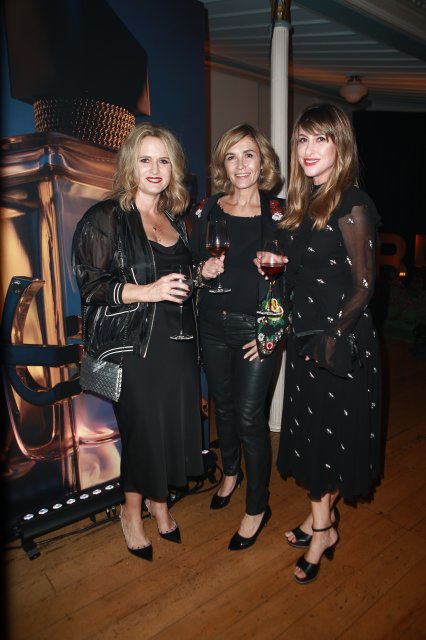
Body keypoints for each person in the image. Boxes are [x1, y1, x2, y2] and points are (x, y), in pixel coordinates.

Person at [257, 103, 381, 583]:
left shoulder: (352, 203)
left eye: (320, 139)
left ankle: (323, 532)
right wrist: (276, 263)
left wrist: (331, 338)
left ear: (340, 145)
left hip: (338, 342)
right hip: (309, 339)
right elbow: (309, 266)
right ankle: (318, 520)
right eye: (303, 140)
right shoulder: (304, 201)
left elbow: (364, 286)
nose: (308, 150)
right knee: (318, 436)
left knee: (326, 438)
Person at [72, 123, 204, 561]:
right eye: (145, 159)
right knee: (143, 431)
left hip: (178, 343)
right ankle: (131, 511)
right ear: (130, 164)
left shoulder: (175, 219)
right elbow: (91, 285)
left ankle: (159, 503)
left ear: (174, 168)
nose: (154, 168)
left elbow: (180, 279)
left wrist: (202, 276)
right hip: (134, 348)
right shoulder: (106, 217)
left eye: (163, 160)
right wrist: (147, 291)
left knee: (168, 428)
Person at [190, 123, 285, 551]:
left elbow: (296, 279)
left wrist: (271, 333)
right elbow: (191, 264)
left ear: (262, 161)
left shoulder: (280, 213)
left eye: (249, 155)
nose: (241, 165)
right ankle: (231, 472)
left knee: (249, 418)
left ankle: (257, 507)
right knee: (223, 408)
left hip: (256, 329)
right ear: (223, 165)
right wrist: (203, 271)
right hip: (212, 324)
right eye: (231, 156)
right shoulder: (208, 208)